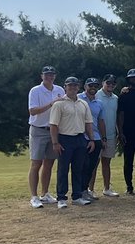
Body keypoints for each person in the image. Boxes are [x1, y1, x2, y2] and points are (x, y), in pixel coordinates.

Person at [48, 76, 94, 209]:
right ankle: (61, 197)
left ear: (78, 87)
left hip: (80, 138)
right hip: (64, 138)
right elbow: (53, 125)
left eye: (75, 86)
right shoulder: (59, 104)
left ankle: (77, 196)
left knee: (78, 168)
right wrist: (55, 142)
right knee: (63, 169)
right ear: (65, 87)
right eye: (70, 86)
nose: (72, 88)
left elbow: (88, 123)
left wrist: (91, 139)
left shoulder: (83, 104)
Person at [27, 65, 65, 208]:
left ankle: (45, 193)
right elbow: (32, 111)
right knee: (36, 163)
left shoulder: (59, 90)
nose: (49, 77)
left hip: (54, 130)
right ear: (42, 76)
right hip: (38, 129)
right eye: (47, 74)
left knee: (49, 163)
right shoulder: (35, 91)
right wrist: (51, 104)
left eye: (52, 74)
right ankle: (34, 196)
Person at [95, 75, 120, 197]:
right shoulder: (96, 95)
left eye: (113, 83)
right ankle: (90, 189)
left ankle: (106, 188)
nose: (110, 85)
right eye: (108, 83)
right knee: (94, 162)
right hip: (96, 135)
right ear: (103, 83)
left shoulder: (116, 98)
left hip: (111, 135)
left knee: (107, 162)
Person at [82, 78, 106, 200]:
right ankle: (79, 191)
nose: (93, 88)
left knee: (91, 166)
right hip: (82, 137)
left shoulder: (99, 103)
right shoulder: (78, 98)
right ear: (85, 86)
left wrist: (103, 138)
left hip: (96, 138)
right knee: (82, 165)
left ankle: (85, 190)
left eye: (95, 86)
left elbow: (101, 121)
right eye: (90, 85)